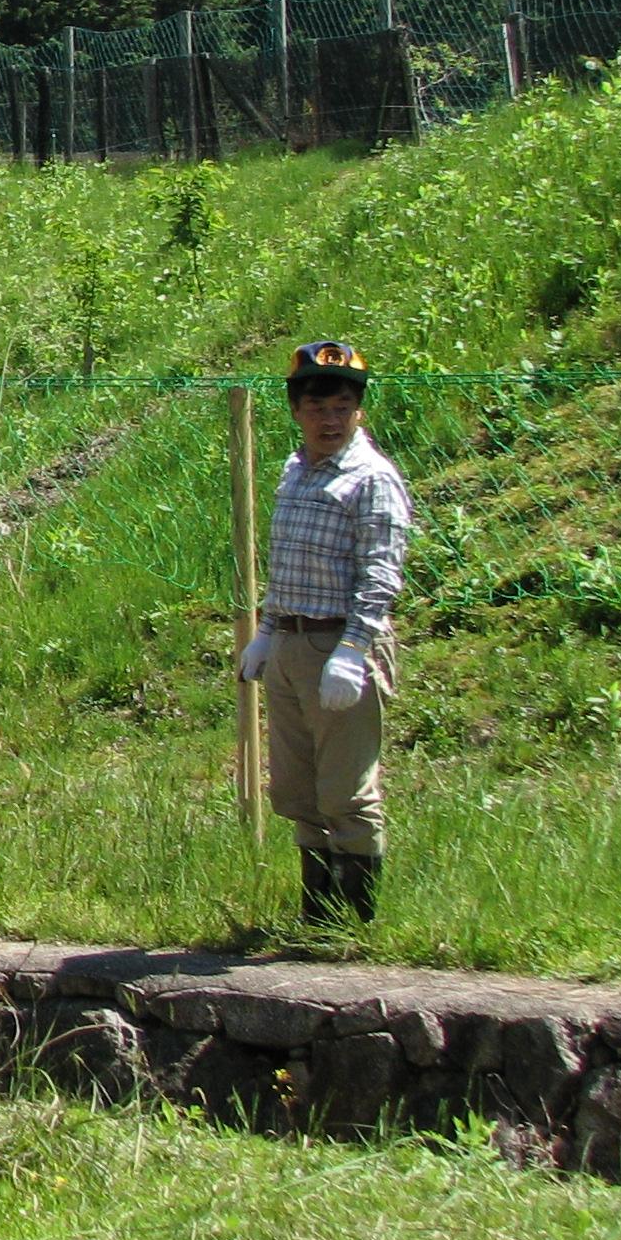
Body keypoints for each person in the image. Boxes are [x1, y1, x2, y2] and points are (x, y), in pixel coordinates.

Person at [237, 341, 413, 926]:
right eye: (317, 408)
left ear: (359, 411)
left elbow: (381, 574)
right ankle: (317, 919)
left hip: (340, 645)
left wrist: (354, 650)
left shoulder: (372, 479)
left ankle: (356, 925)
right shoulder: (295, 473)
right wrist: (267, 632)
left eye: (342, 407)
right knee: (298, 791)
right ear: (296, 411)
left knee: (345, 791)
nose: (329, 420)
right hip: (290, 643)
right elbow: (285, 563)